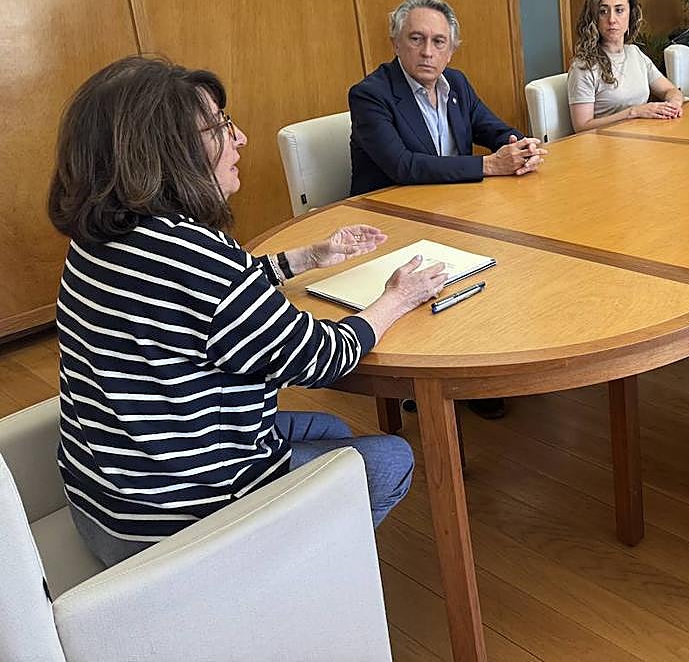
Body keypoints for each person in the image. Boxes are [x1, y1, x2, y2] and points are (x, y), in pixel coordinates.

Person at [48, 56, 449, 568]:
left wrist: (308, 257)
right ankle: (269, 579)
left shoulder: (105, 238)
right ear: (166, 151)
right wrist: (397, 297)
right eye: (219, 126)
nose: (239, 139)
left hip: (110, 495)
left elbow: (203, 302)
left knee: (334, 432)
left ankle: (304, 529)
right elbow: (324, 358)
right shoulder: (198, 258)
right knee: (392, 458)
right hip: (173, 524)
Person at [349, 0, 547, 194]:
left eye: (438, 41)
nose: (427, 52)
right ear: (396, 44)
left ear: (451, 51)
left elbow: (494, 130)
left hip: (454, 199)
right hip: (389, 211)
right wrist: (488, 165)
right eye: (416, 39)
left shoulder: (456, 83)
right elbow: (403, 166)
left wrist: (522, 149)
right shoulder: (369, 95)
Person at [567, 0, 684, 131]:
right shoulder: (583, 67)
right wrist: (633, 112)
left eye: (619, 10)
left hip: (643, 138)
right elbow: (581, 127)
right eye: (603, 12)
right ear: (594, 19)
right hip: (604, 145)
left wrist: (673, 104)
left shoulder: (634, 53)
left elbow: (670, 90)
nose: (611, 19)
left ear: (631, 16)